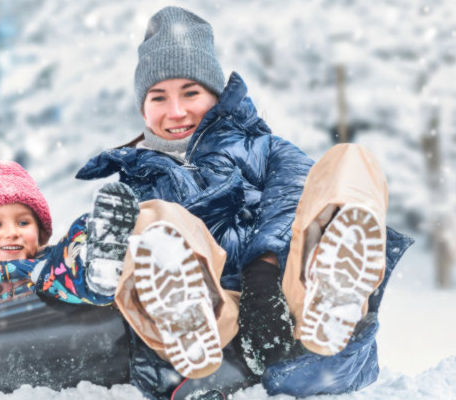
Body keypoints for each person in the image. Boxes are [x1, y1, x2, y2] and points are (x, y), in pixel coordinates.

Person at [74, 5, 413, 399]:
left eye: (190, 92)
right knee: (149, 220)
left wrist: (263, 269)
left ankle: (333, 298)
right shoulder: (135, 180)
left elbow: (294, 195)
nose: (176, 111)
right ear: (142, 108)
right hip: (218, 324)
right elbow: (98, 253)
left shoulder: (266, 149)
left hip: (292, 303)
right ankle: (186, 316)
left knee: (350, 162)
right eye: (158, 97)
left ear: (215, 95)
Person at [0, 160, 139, 393]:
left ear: (40, 232)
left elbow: (61, 267)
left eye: (23, 222)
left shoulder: (48, 267)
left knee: (66, 267)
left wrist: (84, 249)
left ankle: (99, 266)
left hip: (69, 342)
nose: (12, 232)